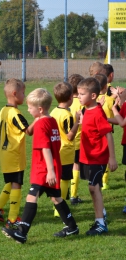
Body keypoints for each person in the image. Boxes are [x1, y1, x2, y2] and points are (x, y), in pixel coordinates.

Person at [2, 88, 79, 244]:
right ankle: (72, 227)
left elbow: (46, 148)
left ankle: (22, 233)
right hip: (52, 166)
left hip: (43, 169)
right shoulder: (50, 120)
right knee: (56, 198)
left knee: (32, 196)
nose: (28, 109)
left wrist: (50, 171)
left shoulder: (41, 125)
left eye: (30, 107)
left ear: (40, 109)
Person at [0, 78, 34, 228]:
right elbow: (28, 131)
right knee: (16, 184)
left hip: (4, 152)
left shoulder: (3, 110)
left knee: (11, 181)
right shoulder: (14, 113)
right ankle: (13, 218)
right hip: (13, 154)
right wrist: (40, 117)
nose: (24, 96)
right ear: (15, 93)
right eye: (23, 93)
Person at [77, 77, 118, 235]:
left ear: (93, 96)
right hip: (87, 157)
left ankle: (100, 223)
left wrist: (112, 158)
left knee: (93, 187)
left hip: (98, 157)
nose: (78, 96)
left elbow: (108, 134)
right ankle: (102, 213)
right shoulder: (86, 109)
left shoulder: (97, 113)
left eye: (81, 94)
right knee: (94, 188)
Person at [50, 82, 80, 217]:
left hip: (55, 150)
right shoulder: (67, 115)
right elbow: (69, 136)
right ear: (70, 98)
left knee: (59, 178)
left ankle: (57, 206)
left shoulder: (53, 111)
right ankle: (59, 209)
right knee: (65, 179)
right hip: (66, 152)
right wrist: (77, 122)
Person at [95, 73, 115, 190]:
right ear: (105, 87)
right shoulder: (110, 100)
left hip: (94, 134)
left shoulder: (92, 99)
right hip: (107, 132)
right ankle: (105, 182)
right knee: (107, 156)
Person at [108, 91, 126, 214]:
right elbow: (119, 119)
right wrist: (104, 119)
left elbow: (122, 122)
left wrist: (114, 108)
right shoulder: (125, 105)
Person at [68, 74, 84, 205]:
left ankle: (65, 193)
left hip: (66, 143)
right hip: (78, 141)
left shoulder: (66, 103)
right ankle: (73, 195)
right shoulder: (82, 103)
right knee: (76, 166)